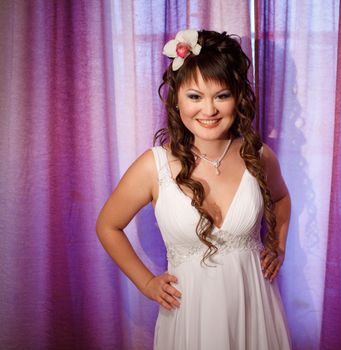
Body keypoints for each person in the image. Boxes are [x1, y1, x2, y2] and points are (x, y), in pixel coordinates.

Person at [96, 29, 292, 349]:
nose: (209, 110)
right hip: (190, 318)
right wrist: (146, 283)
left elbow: (281, 198)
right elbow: (107, 225)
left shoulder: (258, 157)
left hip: (254, 310)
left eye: (222, 95)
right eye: (195, 96)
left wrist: (278, 247)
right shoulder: (153, 166)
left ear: (237, 96)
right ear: (176, 98)